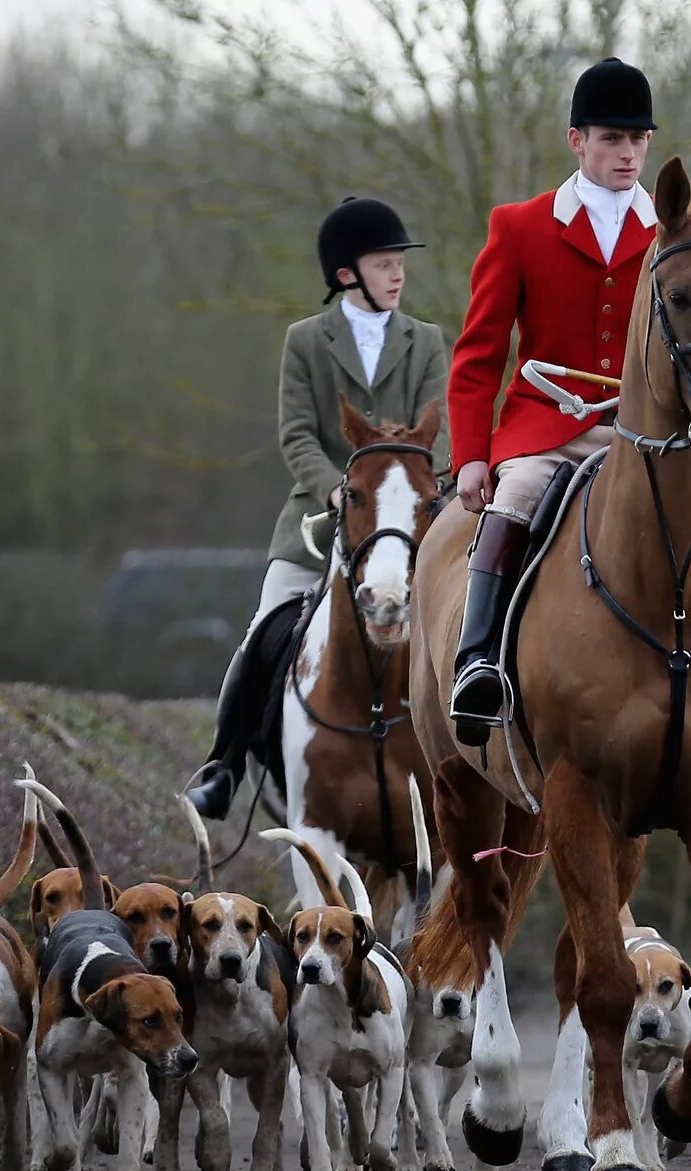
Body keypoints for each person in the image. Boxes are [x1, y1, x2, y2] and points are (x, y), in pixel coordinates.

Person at [443, 58, 691, 748]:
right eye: (611, 140)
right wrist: (473, 456)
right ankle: (479, 664)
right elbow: (478, 357)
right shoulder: (519, 227)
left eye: (638, 141)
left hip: (658, 431)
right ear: (577, 141)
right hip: (550, 427)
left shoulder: (678, 232)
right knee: (520, 494)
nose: (626, 155)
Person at [184, 197, 444, 818]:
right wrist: (334, 487)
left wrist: (419, 488)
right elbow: (296, 434)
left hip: (407, 522)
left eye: (398, 263)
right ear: (347, 274)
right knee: (260, 632)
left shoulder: (428, 341)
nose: (398, 274)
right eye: (384, 264)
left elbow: (447, 429)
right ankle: (224, 765)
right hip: (319, 518)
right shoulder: (305, 341)